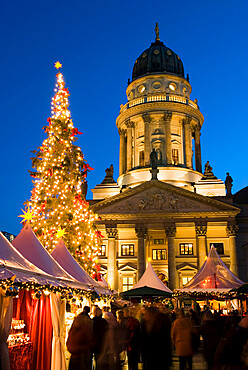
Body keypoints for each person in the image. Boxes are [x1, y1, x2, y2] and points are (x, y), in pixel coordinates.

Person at [66, 306, 93, 370]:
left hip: (75, 351)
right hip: (83, 353)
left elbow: (71, 334)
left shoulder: (77, 320)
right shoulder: (88, 321)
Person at [92, 306, 109, 370]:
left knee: (96, 358)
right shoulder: (104, 321)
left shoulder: (93, 321)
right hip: (103, 342)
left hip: (95, 343)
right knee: (102, 359)